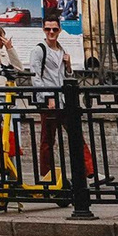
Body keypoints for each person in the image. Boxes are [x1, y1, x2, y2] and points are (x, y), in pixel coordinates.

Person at [25, 16, 74, 190]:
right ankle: (47, 174)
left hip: (63, 100)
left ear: (60, 30)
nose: (51, 32)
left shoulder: (61, 50)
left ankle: (88, 171)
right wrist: (47, 98)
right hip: (50, 102)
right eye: (48, 29)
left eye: (54, 29)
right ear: (43, 30)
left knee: (76, 136)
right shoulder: (39, 50)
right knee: (47, 140)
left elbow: (66, 77)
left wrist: (68, 66)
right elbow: (35, 77)